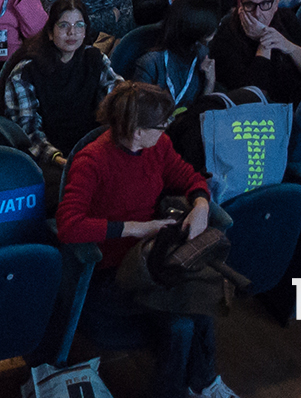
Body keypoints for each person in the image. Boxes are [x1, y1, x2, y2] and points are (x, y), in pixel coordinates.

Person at [58, 83, 230, 398]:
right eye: (161, 124)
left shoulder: (158, 145)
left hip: (150, 257)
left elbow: (188, 176)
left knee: (203, 297)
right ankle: (182, 390)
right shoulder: (92, 161)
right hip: (109, 271)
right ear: (137, 131)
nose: (166, 129)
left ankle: (205, 384)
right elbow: (69, 225)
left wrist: (201, 205)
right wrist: (137, 227)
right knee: (182, 323)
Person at [1, 0, 121, 173]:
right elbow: (28, 129)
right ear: (50, 32)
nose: (72, 32)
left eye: (79, 25)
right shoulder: (26, 71)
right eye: (64, 25)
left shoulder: (96, 59)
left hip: (92, 150)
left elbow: (119, 100)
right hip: (47, 158)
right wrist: (59, 160)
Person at [210, 0, 301, 103]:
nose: (257, 13)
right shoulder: (227, 33)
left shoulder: (286, 18)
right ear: (240, 2)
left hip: (296, 100)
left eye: (265, 4)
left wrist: (288, 46)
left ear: (276, 2)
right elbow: (253, 95)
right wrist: (265, 43)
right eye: (250, 5)